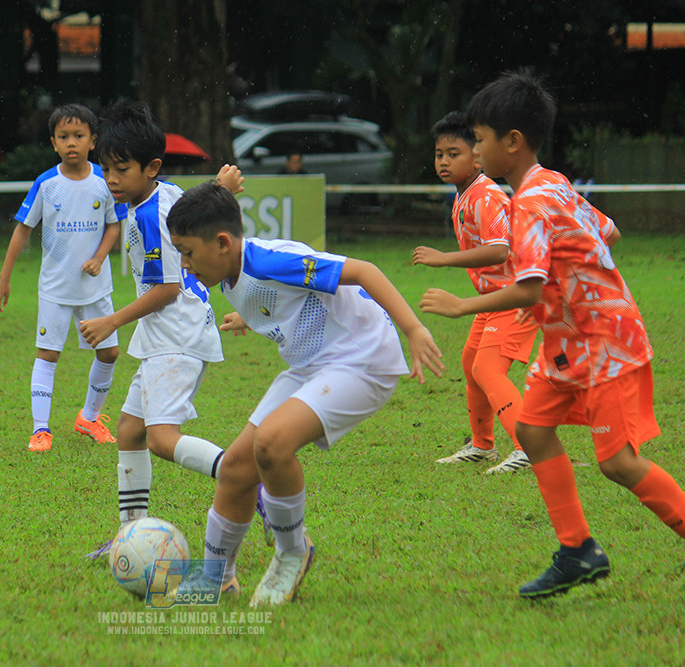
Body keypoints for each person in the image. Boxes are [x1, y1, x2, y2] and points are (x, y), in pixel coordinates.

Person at [420, 69, 685, 598]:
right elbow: (606, 229)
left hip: (604, 340)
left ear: (511, 142)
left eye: (479, 139)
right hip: (566, 341)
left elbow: (529, 289)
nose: (474, 148)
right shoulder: (553, 182)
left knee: (617, 463)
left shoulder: (532, 202)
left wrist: (461, 304)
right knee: (535, 432)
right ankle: (578, 551)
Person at [166, 181, 445, 606]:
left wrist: (414, 329)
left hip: (363, 358)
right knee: (238, 466)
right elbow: (276, 299)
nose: (184, 264)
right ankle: (216, 577)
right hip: (314, 364)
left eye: (187, 252)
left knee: (273, 442)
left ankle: (293, 552)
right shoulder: (228, 269)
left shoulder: (272, 261)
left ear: (222, 242)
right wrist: (245, 315)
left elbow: (365, 271)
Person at [77, 100, 244, 560]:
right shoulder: (157, 194)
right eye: (105, 168)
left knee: (160, 437)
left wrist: (112, 319)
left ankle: (245, 478)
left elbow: (168, 288)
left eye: (120, 169)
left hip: (176, 334)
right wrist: (220, 188)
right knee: (130, 431)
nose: (110, 178)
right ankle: (130, 533)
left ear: (150, 167)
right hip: (164, 336)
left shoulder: (149, 215)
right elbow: (191, 204)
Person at [0, 104, 125, 453]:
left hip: (95, 288)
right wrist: (4, 279)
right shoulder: (46, 183)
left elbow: (114, 224)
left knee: (110, 352)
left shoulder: (104, 180)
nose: (71, 143)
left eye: (79, 136)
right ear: (53, 143)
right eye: (63, 137)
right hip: (55, 289)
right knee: (47, 355)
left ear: (92, 140)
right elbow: (22, 231)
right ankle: (41, 431)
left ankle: (90, 418)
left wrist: (98, 258)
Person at [413, 111, 537, 474]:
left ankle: (529, 449)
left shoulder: (487, 195)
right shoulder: (464, 194)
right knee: (471, 364)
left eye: (455, 153)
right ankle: (482, 445)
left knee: (487, 368)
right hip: (491, 300)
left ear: (477, 156)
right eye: (439, 154)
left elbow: (499, 249)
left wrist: (443, 259)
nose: (444, 161)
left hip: (514, 297)